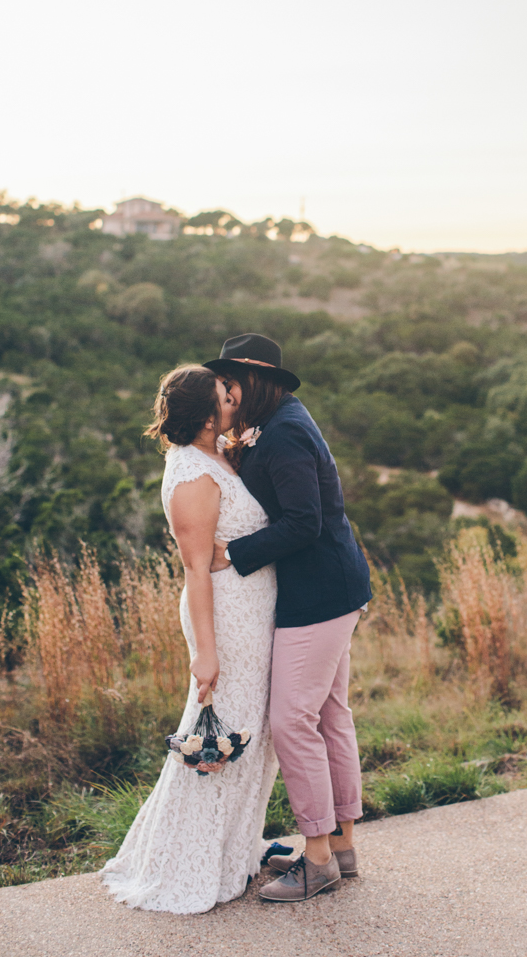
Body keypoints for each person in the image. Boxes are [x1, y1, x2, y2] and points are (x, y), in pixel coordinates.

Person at [101, 364, 278, 913]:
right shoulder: (191, 476)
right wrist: (206, 652)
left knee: (253, 736)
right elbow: (196, 570)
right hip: (225, 620)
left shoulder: (215, 454)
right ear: (206, 416)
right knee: (222, 737)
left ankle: (235, 853)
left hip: (251, 612)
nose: (235, 401)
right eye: (228, 397)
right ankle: (188, 864)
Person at [204, 333, 372, 902]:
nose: (224, 391)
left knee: (291, 721)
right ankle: (341, 847)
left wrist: (233, 555)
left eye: (230, 381)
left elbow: (304, 521)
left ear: (255, 381)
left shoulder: (286, 432)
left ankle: (318, 860)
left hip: (316, 595)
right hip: (334, 586)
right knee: (329, 715)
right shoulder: (276, 424)